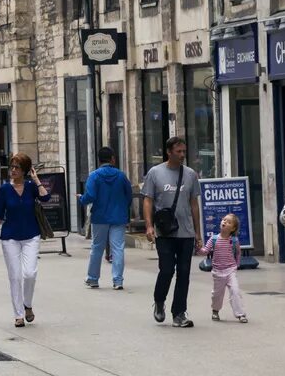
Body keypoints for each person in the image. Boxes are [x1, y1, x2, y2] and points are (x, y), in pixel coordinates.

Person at [142, 136, 202, 327]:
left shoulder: (191, 174)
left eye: (184, 151)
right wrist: (149, 226)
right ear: (169, 152)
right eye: (179, 151)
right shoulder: (155, 173)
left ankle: (179, 313)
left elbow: (194, 204)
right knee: (167, 270)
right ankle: (159, 301)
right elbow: (148, 200)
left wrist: (198, 232)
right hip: (165, 232)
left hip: (186, 232)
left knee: (184, 272)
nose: (182, 155)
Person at [0, 153, 50, 328]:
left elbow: (45, 197)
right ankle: (18, 314)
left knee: (30, 273)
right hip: (10, 238)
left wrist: (36, 179)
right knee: (15, 276)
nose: (13, 170)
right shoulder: (5, 189)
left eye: (17, 167)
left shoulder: (31, 187)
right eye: (11, 166)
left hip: (31, 235)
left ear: (25, 170)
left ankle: (27, 304)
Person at [80, 146, 133, 290]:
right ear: (113, 159)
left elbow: (90, 196)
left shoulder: (94, 176)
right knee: (118, 248)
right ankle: (118, 280)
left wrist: (81, 199)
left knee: (97, 247)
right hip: (118, 216)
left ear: (99, 160)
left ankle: (93, 278)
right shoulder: (121, 176)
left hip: (100, 217)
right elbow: (129, 194)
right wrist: (124, 207)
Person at [206, 213, 247, 323]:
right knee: (217, 294)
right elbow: (206, 250)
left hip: (230, 270)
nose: (224, 222)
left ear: (233, 228)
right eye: (224, 220)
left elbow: (238, 252)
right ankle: (215, 310)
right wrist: (199, 248)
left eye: (228, 222)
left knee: (235, 290)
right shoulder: (213, 239)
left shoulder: (234, 240)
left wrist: (236, 265)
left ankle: (240, 314)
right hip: (217, 271)